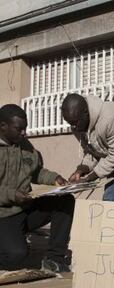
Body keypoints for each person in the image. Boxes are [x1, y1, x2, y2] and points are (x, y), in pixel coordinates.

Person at [0, 104, 74, 272]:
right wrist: (13, 195)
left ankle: (54, 258)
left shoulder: (24, 145)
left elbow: (36, 171)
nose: (24, 133)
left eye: (25, 129)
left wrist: (55, 178)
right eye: (19, 129)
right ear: (3, 126)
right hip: (3, 215)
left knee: (64, 200)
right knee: (16, 256)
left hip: (25, 208)